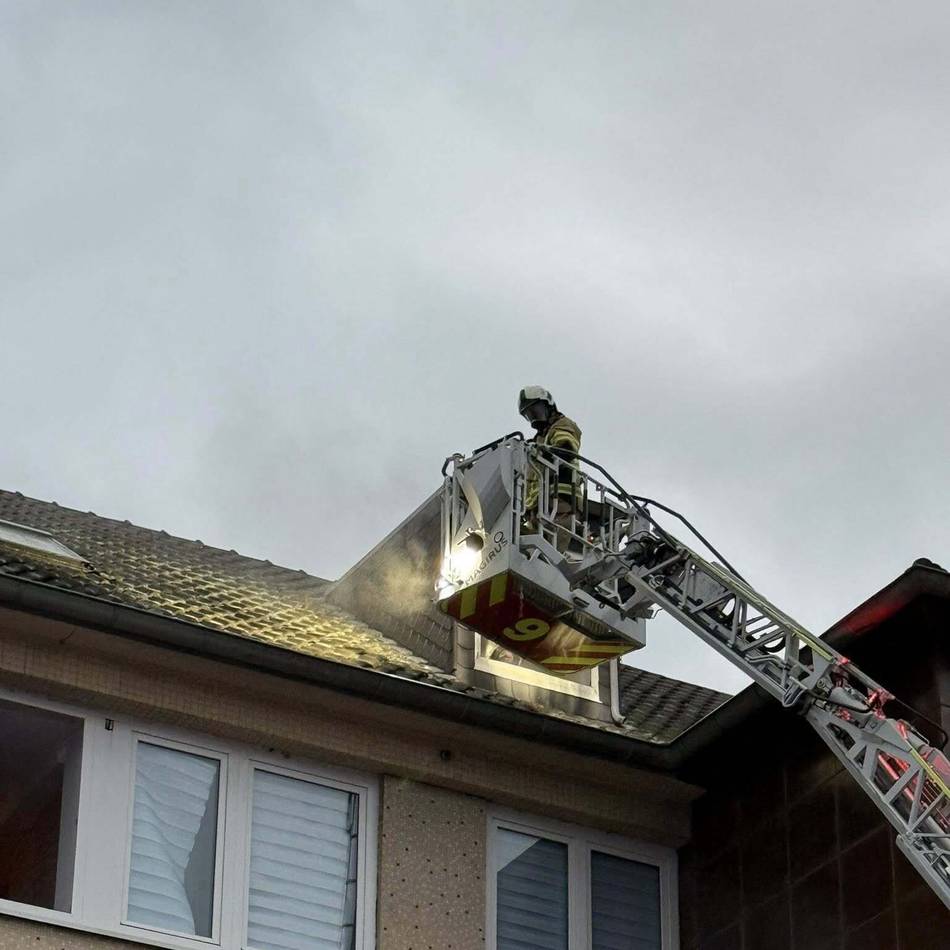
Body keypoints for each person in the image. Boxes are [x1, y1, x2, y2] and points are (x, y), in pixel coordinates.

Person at [518, 386, 582, 547]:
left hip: (560, 499)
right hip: (537, 507)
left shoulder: (562, 424)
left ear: (549, 406)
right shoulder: (538, 440)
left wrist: (541, 453)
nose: (534, 418)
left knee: (552, 553)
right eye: (530, 415)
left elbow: (565, 449)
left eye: (536, 412)